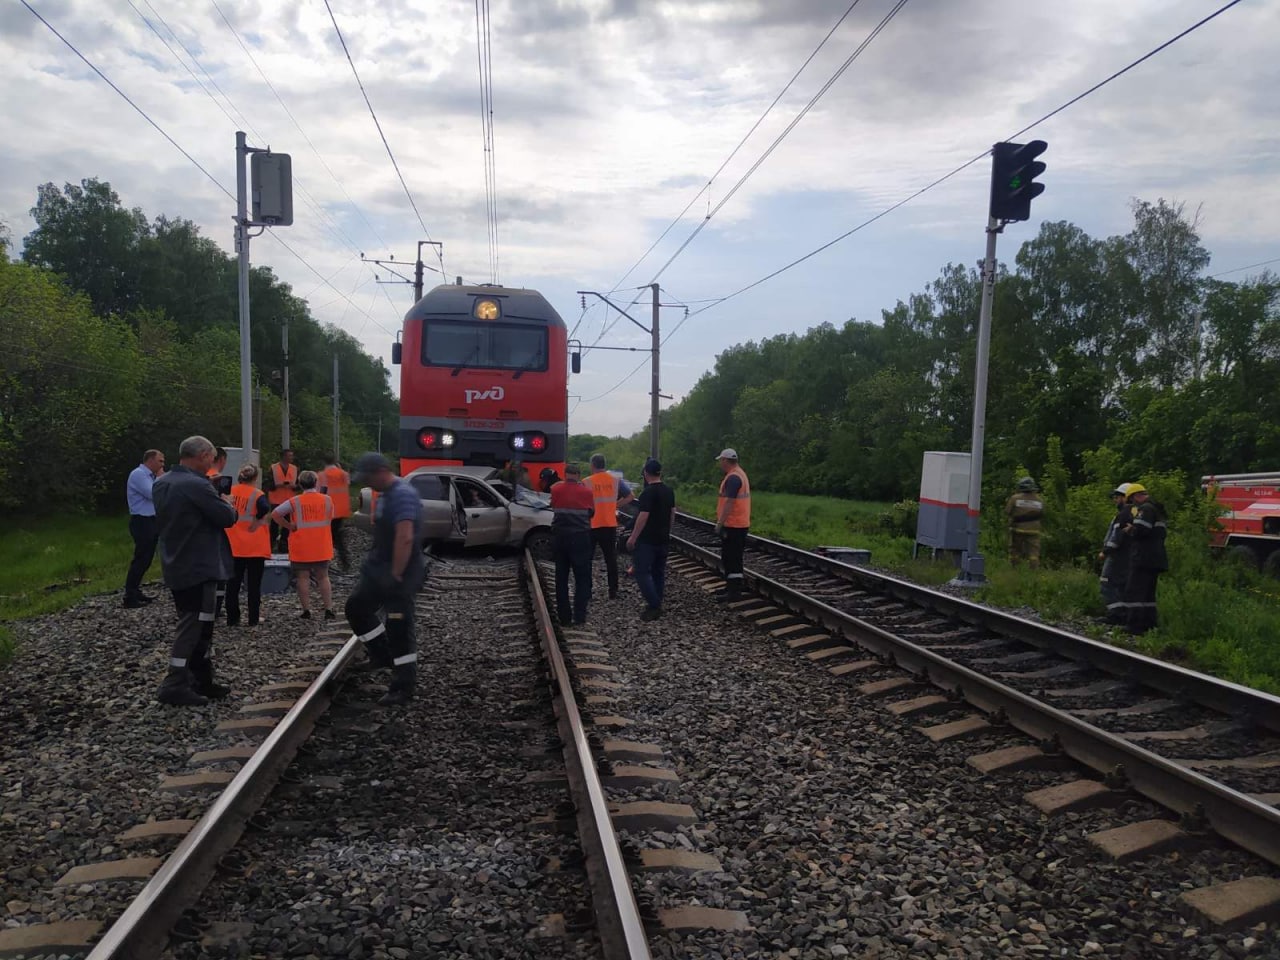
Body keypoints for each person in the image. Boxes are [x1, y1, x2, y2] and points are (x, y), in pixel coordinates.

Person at [152, 435, 237, 706]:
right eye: (211, 458)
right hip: (200, 565)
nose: (212, 463)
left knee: (200, 623)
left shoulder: (162, 482)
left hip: (176, 562)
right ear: (202, 456)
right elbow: (227, 518)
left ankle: (201, 678)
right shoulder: (197, 485)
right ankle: (175, 682)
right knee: (194, 624)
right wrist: (224, 499)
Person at [345, 453, 425, 706]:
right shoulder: (387, 494)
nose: (367, 484)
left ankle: (403, 686)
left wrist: (397, 574)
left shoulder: (402, 494)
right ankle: (381, 654)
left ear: (380, 471)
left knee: (399, 627)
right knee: (356, 608)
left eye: (368, 478)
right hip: (380, 570)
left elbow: (405, 537)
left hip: (398, 573)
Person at [272, 470, 336, 620]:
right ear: (316, 483)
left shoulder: (295, 501)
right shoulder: (327, 500)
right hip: (321, 545)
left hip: (301, 546)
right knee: (323, 577)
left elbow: (275, 514)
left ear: (300, 484)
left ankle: (306, 610)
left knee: (303, 578)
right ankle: (329, 609)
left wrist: (289, 526)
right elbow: (330, 517)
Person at [627, 458, 676, 621]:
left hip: (647, 540)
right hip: (663, 538)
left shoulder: (647, 493)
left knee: (641, 572)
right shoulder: (669, 491)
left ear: (646, 473)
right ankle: (656, 602)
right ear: (659, 473)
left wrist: (633, 537)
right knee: (658, 572)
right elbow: (672, 513)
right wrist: (668, 531)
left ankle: (654, 605)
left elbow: (643, 516)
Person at [225, 463, 272, 627]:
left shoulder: (229, 492)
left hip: (233, 544)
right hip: (254, 546)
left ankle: (232, 618)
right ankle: (253, 619)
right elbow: (265, 508)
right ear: (255, 478)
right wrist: (257, 519)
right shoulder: (257, 494)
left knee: (232, 584)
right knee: (253, 585)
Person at [549, 463, 595, 625]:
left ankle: (564, 617)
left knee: (561, 578)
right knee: (582, 578)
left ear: (565, 473)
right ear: (578, 475)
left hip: (560, 538)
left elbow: (553, 506)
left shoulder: (555, 489)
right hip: (581, 538)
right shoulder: (587, 492)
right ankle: (580, 616)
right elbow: (591, 513)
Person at [587, 454, 635, 600]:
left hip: (591, 524)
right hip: (609, 524)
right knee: (611, 559)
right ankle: (613, 591)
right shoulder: (615, 481)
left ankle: (587, 590)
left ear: (592, 465)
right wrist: (615, 505)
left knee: (587, 559)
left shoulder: (587, 482)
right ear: (604, 465)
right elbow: (631, 496)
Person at [1122, 484, 1168, 635]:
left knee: (1135, 591)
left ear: (1136, 496)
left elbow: (1141, 531)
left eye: (1131, 500)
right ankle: (1149, 623)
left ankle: (1134, 626)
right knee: (1148, 594)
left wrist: (1130, 530)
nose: (1132, 505)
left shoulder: (1145, 509)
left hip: (1143, 557)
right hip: (1156, 557)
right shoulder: (1158, 509)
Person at [124, 448, 165, 608]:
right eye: (160, 461)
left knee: (147, 559)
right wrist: (161, 479)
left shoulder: (150, 476)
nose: (163, 464)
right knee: (141, 559)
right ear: (150, 460)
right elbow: (152, 493)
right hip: (142, 521)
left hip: (151, 520)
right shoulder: (139, 474)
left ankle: (135, 590)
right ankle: (130, 595)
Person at [714, 448, 751, 601]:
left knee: (732, 558)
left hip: (734, 525)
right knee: (729, 557)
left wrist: (720, 523)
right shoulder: (738, 474)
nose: (720, 464)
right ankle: (730, 587)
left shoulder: (734, 477)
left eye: (720, 461)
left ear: (725, 460)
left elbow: (729, 501)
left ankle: (734, 592)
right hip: (738, 523)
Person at [1098, 483, 1134, 624]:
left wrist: (1105, 551)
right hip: (1127, 556)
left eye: (1118, 497)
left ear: (1125, 497)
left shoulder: (1124, 514)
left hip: (1117, 556)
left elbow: (1117, 537)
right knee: (1122, 584)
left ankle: (1116, 614)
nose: (1115, 500)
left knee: (1107, 581)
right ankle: (1124, 614)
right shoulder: (1134, 512)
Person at [319, 454, 352, 571]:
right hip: (341, 509)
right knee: (336, 535)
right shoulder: (343, 473)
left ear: (324, 462)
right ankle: (344, 561)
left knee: (331, 536)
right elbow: (348, 482)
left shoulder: (323, 475)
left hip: (329, 510)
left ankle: (330, 561)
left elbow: (321, 492)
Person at [1006, 477, 1044, 569]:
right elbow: (1042, 513)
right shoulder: (1039, 500)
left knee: (1015, 550)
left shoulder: (1015, 498)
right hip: (1034, 530)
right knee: (1034, 553)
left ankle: (1014, 569)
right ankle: (1033, 571)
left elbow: (1007, 511)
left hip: (1018, 529)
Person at [268, 449, 298, 553]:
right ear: (284, 457)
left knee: (287, 523)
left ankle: (284, 545)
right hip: (276, 499)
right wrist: (278, 485)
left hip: (289, 500)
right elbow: (268, 484)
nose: (291, 458)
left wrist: (294, 486)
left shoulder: (294, 468)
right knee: (274, 523)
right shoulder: (273, 468)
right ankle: (271, 543)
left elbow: (298, 484)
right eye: (290, 456)